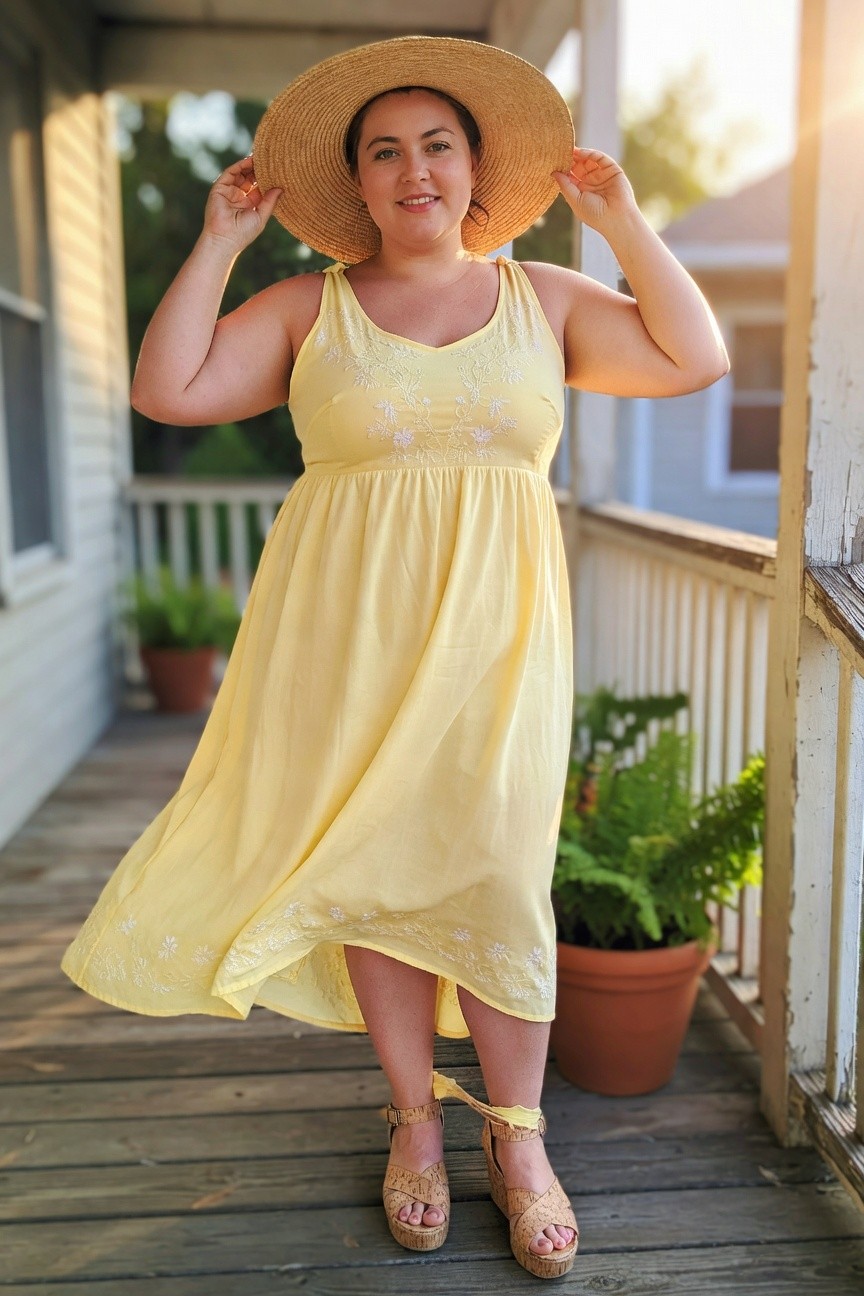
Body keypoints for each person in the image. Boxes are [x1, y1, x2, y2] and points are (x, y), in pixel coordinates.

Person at [60, 35, 729, 1281]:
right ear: (356, 186)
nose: (413, 169)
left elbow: (699, 357)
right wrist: (217, 243)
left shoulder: (545, 300)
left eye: (437, 145)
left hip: (500, 645)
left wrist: (623, 221)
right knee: (373, 865)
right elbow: (169, 389)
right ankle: (417, 1120)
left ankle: (519, 1141)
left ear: (476, 170)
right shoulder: (311, 306)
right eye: (385, 152)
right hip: (346, 638)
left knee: (495, 873)